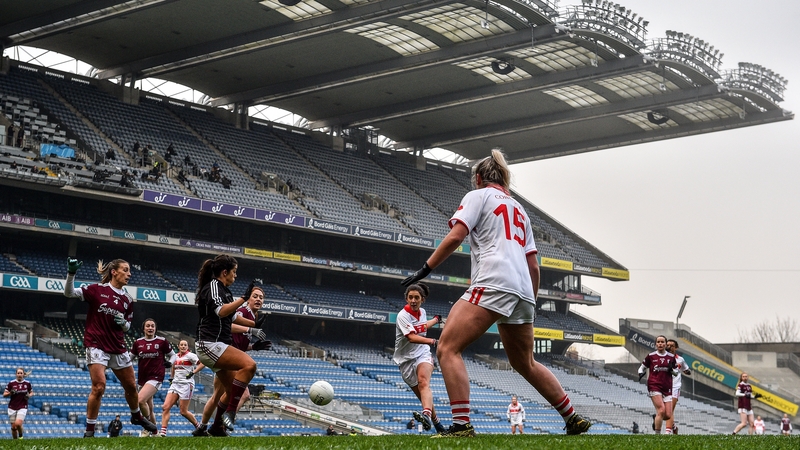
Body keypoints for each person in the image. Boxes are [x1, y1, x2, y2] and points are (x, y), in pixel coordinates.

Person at [401, 150, 591, 437]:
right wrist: (530, 302)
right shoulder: (520, 210)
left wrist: (425, 269)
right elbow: (533, 266)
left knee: (447, 348)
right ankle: (572, 418)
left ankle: (462, 425)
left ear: (479, 178)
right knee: (525, 362)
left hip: (493, 280)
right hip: (524, 290)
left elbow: (456, 236)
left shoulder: (477, 196)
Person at [62, 257, 158, 437]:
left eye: (129, 271)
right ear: (114, 272)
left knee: (131, 387)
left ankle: (136, 416)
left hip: (118, 346)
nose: (129, 274)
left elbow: (128, 325)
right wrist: (71, 274)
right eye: (125, 270)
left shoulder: (127, 299)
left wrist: (123, 324)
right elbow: (69, 293)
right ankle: (89, 431)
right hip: (96, 344)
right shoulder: (97, 290)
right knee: (99, 386)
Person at [192, 255, 263, 437]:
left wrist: (254, 324)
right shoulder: (214, 287)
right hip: (211, 344)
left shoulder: (225, 291)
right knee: (249, 365)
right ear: (225, 272)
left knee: (232, 391)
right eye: (234, 272)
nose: (236, 276)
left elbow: (232, 317)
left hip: (215, 346)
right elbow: (221, 311)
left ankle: (216, 428)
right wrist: (243, 298)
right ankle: (230, 412)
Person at [393, 282, 446, 434]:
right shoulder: (402, 316)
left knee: (424, 383)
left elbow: (422, 327)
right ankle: (437, 424)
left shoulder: (422, 311)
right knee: (423, 395)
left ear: (422, 299)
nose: (413, 300)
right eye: (410, 297)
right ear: (406, 299)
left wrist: (436, 320)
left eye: (416, 297)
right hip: (405, 361)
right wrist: (433, 341)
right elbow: (411, 337)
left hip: (422, 353)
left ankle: (426, 415)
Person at [131, 318, 176, 436]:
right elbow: (128, 359)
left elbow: (173, 355)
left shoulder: (162, 341)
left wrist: (170, 363)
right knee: (149, 407)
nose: (150, 328)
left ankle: (146, 426)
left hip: (156, 376)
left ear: (155, 328)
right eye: (148, 326)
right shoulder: (138, 343)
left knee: (140, 400)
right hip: (142, 378)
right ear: (143, 328)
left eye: (152, 326)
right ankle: (155, 432)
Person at [159, 340, 204, 437]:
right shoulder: (175, 356)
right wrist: (171, 378)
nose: (183, 346)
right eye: (181, 345)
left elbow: (202, 363)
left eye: (185, 345)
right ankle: (163, 432)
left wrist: (193, 372)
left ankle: (199, 427)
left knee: (183, 411)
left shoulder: (191, 356)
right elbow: (173, 367)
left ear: (187, 347)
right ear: (178, 346)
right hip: (175, 384)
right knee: (165, 407)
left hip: (186, 384)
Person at [638, 335, 678, 434]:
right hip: (654, 385)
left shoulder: (671, 357)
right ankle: (657, 436)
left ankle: (656, 418)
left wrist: (671, 370)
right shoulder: (651, 356)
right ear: (656, 344)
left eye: (662, 342)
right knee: (661, 410)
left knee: (668, 415)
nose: (660, 344)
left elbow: (676, 373)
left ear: (665, 344)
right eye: (658, 342)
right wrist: (640, 373)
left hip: (667, 386)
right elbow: (641, 367)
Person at [665, 339, 691, 434]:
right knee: (664, 411)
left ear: (676, 348)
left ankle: (667, 433)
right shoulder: (662, 358)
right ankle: (674, 427)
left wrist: (686, 371)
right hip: (663, 386)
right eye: (668, 345)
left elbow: (686, 370)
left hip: (675, 386)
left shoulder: (680, 359)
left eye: (672, 345)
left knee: (670, 409)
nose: (669, 347)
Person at [4, 367, 32, 439]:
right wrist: (10, 393)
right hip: (12, 407)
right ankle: (15, 443)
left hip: (23, 405)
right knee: (13, 427)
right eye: (18, 373)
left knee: (18, 424)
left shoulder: (27, 383)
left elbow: (31, 392)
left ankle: (20, 435)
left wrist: (29, 395)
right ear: (16, 374)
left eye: (21, 373)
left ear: (23, 374)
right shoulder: (11, 383)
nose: (19, 374)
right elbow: (4, 394)